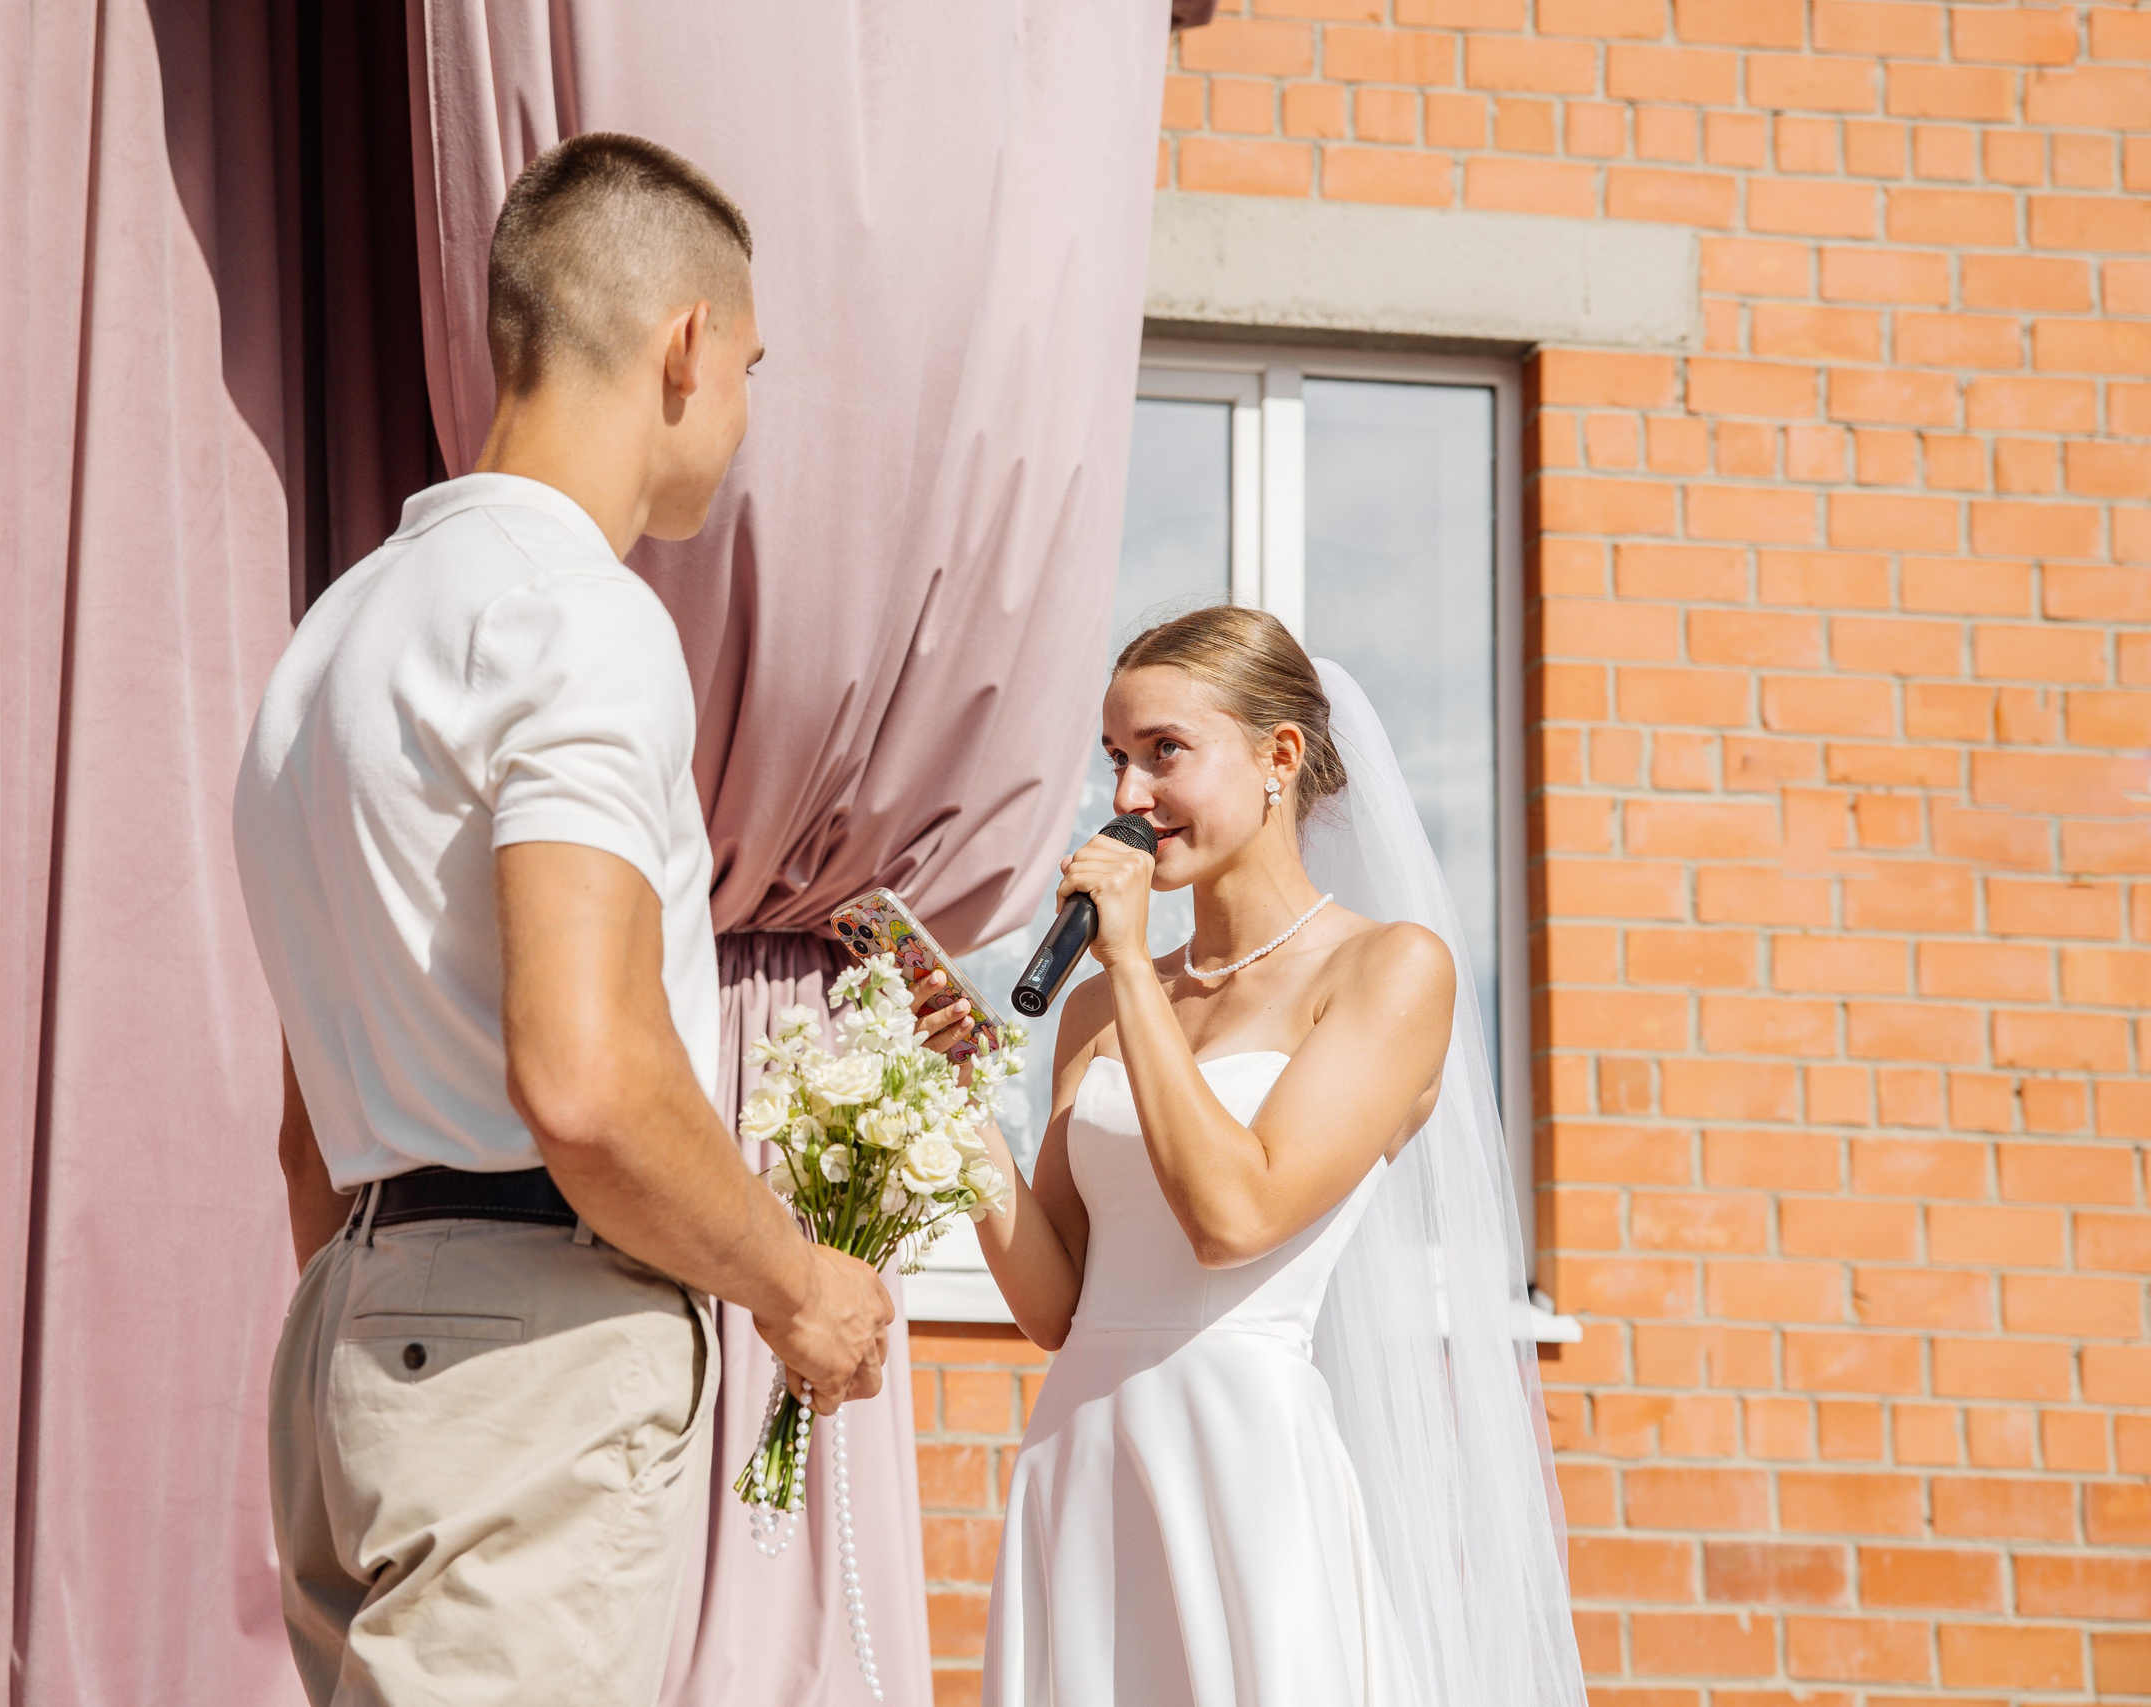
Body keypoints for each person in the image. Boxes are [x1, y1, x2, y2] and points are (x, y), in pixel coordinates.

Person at [232, 133, 893, 1707]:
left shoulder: (333, 637)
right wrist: (798, 1283)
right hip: (525, 1340)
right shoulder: (579, 615)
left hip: (354, 1326)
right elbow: (586, 1076)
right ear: (683, 346)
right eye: (747, 365)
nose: (739, 416)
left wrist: (392, 1310)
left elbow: (305, 1127)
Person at [913, 606, 1586, 1706]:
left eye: (1164, 753)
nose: (1127, 799)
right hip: (1082, 1460)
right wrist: (956, 1110)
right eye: (1117, 761)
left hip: (1243, 1471)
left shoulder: (1383, 970)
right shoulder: (1093, 1007)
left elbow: (1236, 1216)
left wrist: (1129, 967)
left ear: (1279, 758)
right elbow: (1053, 1306)